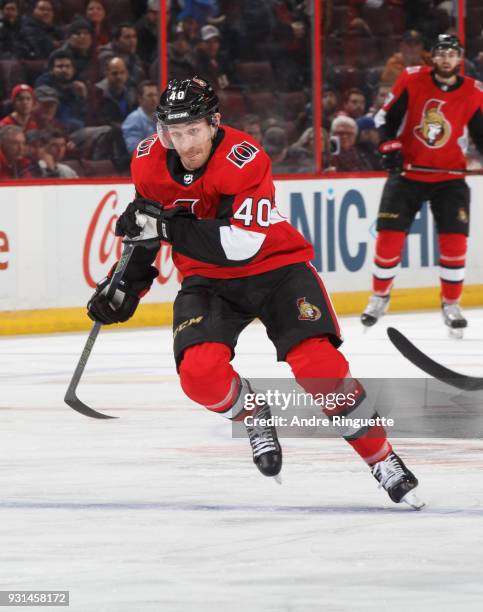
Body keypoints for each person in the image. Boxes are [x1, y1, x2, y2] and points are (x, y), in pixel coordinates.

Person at [86, 76, 423, 509]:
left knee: (319, 368)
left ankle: (382, 458)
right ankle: (252, 412)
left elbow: (239, 244)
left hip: (276, 269)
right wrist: (124, 286)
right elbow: (145, 223)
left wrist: (165, 227)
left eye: (193, 130)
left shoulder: (244, 158)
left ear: (214, 123)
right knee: (199, 374)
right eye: (173, 131)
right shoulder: (149, 160)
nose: (184, 143)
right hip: (208, 281)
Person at [361, 35, 483, 337]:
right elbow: (384, 118)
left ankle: (451, 303)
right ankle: (379, 297)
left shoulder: (473, 92)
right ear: (434, 57)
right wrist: (389, 145)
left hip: (450, 178)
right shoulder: (412, 79)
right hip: (408, 174)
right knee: (388, 239)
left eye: (452, 54)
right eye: (441, 53)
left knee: (455, 244)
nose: (446, 59)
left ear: (460, 60)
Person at [121, 80, 158, 154]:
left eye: (156, 95)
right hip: (143, 162)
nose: (154, 99)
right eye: (149, 95)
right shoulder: (133, 119)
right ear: (140, 98)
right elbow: (134, 150)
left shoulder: (160, 116)